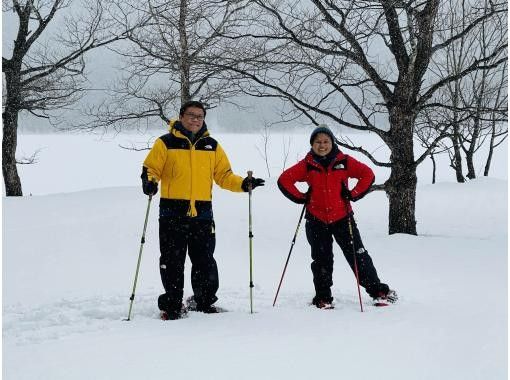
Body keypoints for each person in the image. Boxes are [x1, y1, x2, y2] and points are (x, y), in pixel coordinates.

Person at [141, 100, 265, 320]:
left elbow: (224, 176)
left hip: (203, 213)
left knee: (204, 261)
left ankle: (204, 302)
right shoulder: (165, 143)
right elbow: (151, 168)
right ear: (181, 116)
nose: (196, 120)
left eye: (200, 116)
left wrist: (243, 184)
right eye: (191, 115)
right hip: (172, 212)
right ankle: (172, 306)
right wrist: (149, 182)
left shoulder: (211, 146)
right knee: (172, 261)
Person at [277, 126, 397, 309]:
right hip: (316, 220)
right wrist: (302, 197)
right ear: (312, 144)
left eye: (326, 141)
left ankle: (378, 291)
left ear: (332, 142)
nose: (322, 145)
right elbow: (284, 179)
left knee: (358, 256)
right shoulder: (307, 164)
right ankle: (323, 298)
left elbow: (367, 174)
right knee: (322, 260)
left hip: (343, 218)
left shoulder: (344, 161)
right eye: (318, 142)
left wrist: (354, 193)